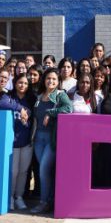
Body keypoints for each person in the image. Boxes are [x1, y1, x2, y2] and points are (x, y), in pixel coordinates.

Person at [31, 69, 73, 213]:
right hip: (38, 138)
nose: (51, 81)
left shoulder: (60, 95)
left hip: (52, 138)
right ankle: (50, 201)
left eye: (54, 79)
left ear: (58, 81)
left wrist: (51, 112)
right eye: (48, 78)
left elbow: (69, 108)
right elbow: (35, 117)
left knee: (43, 170)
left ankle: (43, 202)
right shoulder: (39, 97)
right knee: (47, 171)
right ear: (44, 80)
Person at [0, 73, 35, 210]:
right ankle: (10, 197)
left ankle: (19, 197)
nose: (22, 85)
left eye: (25, 83)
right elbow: (1, 103)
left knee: (23, 171)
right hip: (12, 142)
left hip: (26, 141)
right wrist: (20, 108)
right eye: (20, 82)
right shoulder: (9, 96)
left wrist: (27, 112)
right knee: (13, 171)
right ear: (15, 83)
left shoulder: (31, 98)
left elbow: (34, 113)